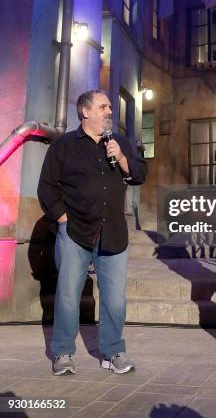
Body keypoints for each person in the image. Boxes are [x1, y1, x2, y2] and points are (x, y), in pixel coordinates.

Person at [38, 90, 147, 375]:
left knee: (114, 298)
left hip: (113, 232)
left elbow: (140, 173)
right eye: (104, 106)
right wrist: (62, 219)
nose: (110, 110)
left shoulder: (119, 142)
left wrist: (122, 158)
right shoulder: (63, 146)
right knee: (67, 296)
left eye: (110, 106)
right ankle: (62, 352)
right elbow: (47, 187)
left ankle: (113, 352)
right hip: (75, 232)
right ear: (86, 112)